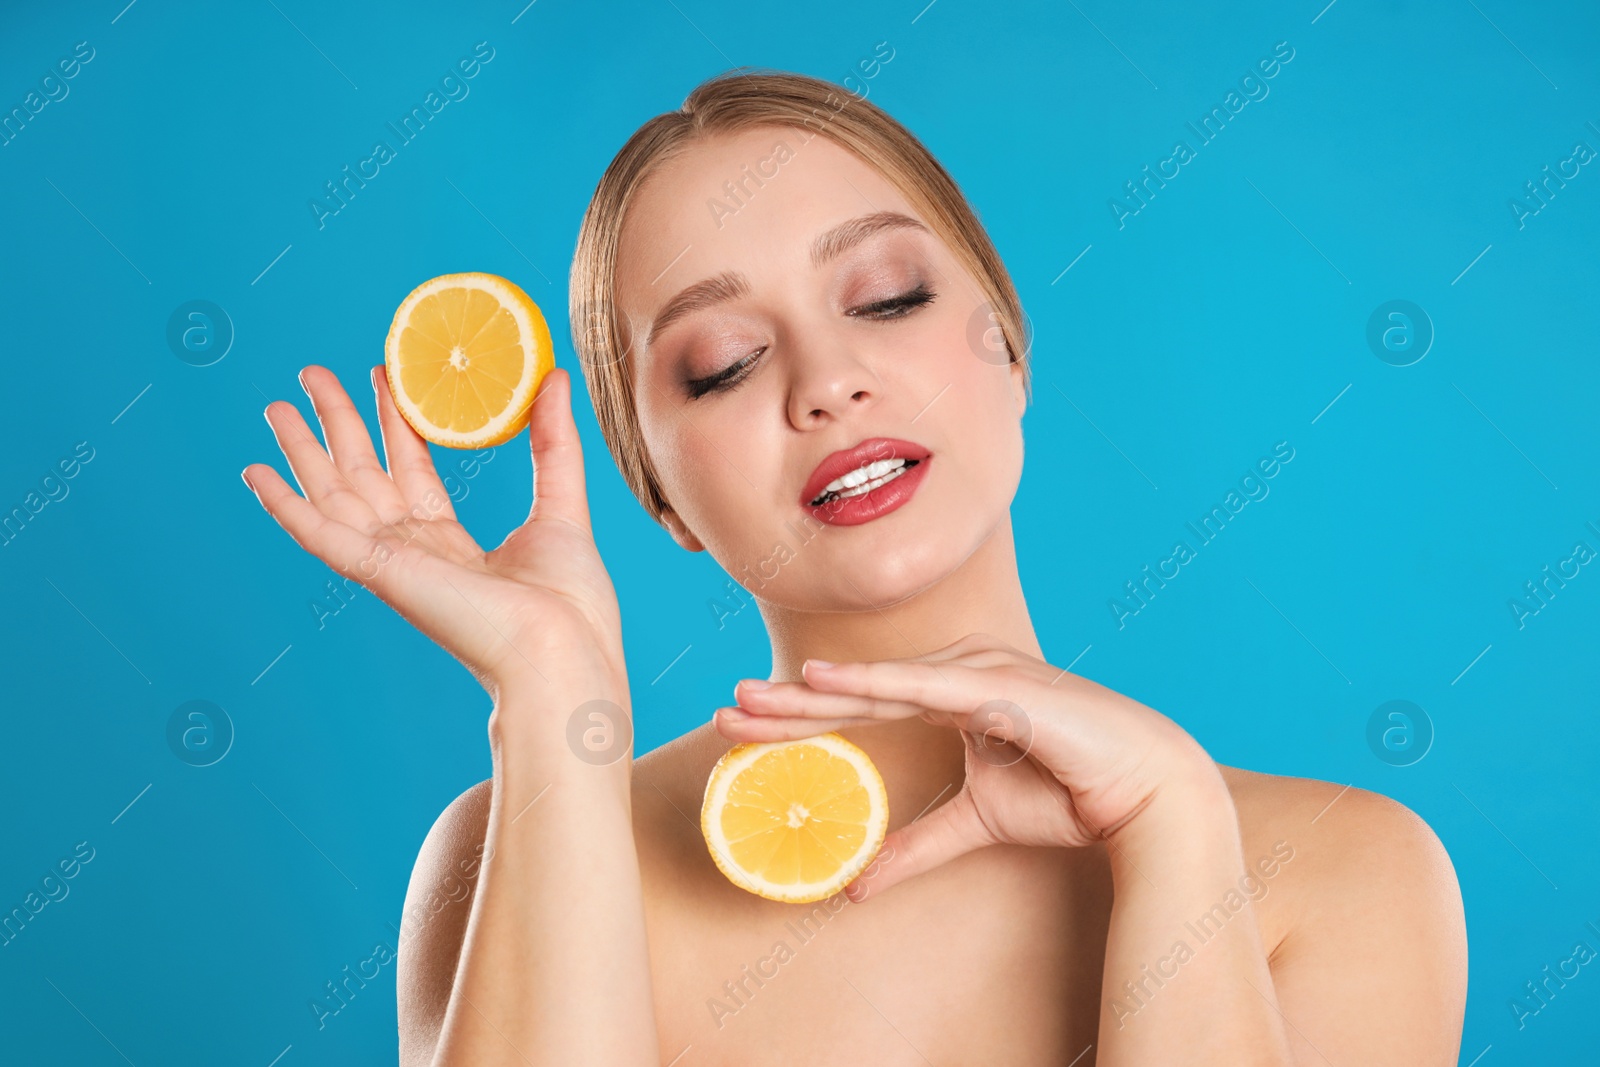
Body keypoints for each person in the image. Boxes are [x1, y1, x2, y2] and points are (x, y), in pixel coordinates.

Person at [242, 68, 1467, 1065]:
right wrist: (551, 696)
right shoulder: (530, 848)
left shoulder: (1345, 871)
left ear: (1007, 345)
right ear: (657, 493)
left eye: (883, 298)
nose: (827, 380)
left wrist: (1171, 830)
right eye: (720, 363)